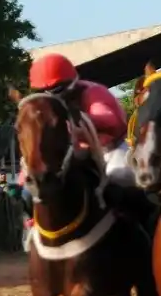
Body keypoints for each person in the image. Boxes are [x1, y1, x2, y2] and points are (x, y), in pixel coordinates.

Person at [26, 53, 140, 205]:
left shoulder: (92, 92)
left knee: (119, 176)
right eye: (45, 90)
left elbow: (110, 120)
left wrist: (77, 122)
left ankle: (144, 220)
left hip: (112, 149)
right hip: (76, 156)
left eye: (56, 88)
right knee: (28, 191)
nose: (51, 93)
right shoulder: (46, 108)